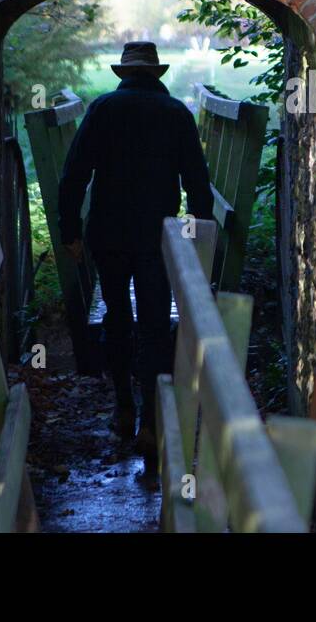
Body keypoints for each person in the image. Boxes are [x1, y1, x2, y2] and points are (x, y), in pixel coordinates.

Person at [58, 42, 213, 470]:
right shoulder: (177, 114)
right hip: (155, 238)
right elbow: (197, 182)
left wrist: (69, 229)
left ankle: (123, 408)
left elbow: (74, 175)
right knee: (154, 326)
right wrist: (202, 232)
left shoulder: (103, 109)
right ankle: (150, 421)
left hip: (108, 234)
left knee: (117, 319)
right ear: (157, 74)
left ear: (124, 73)